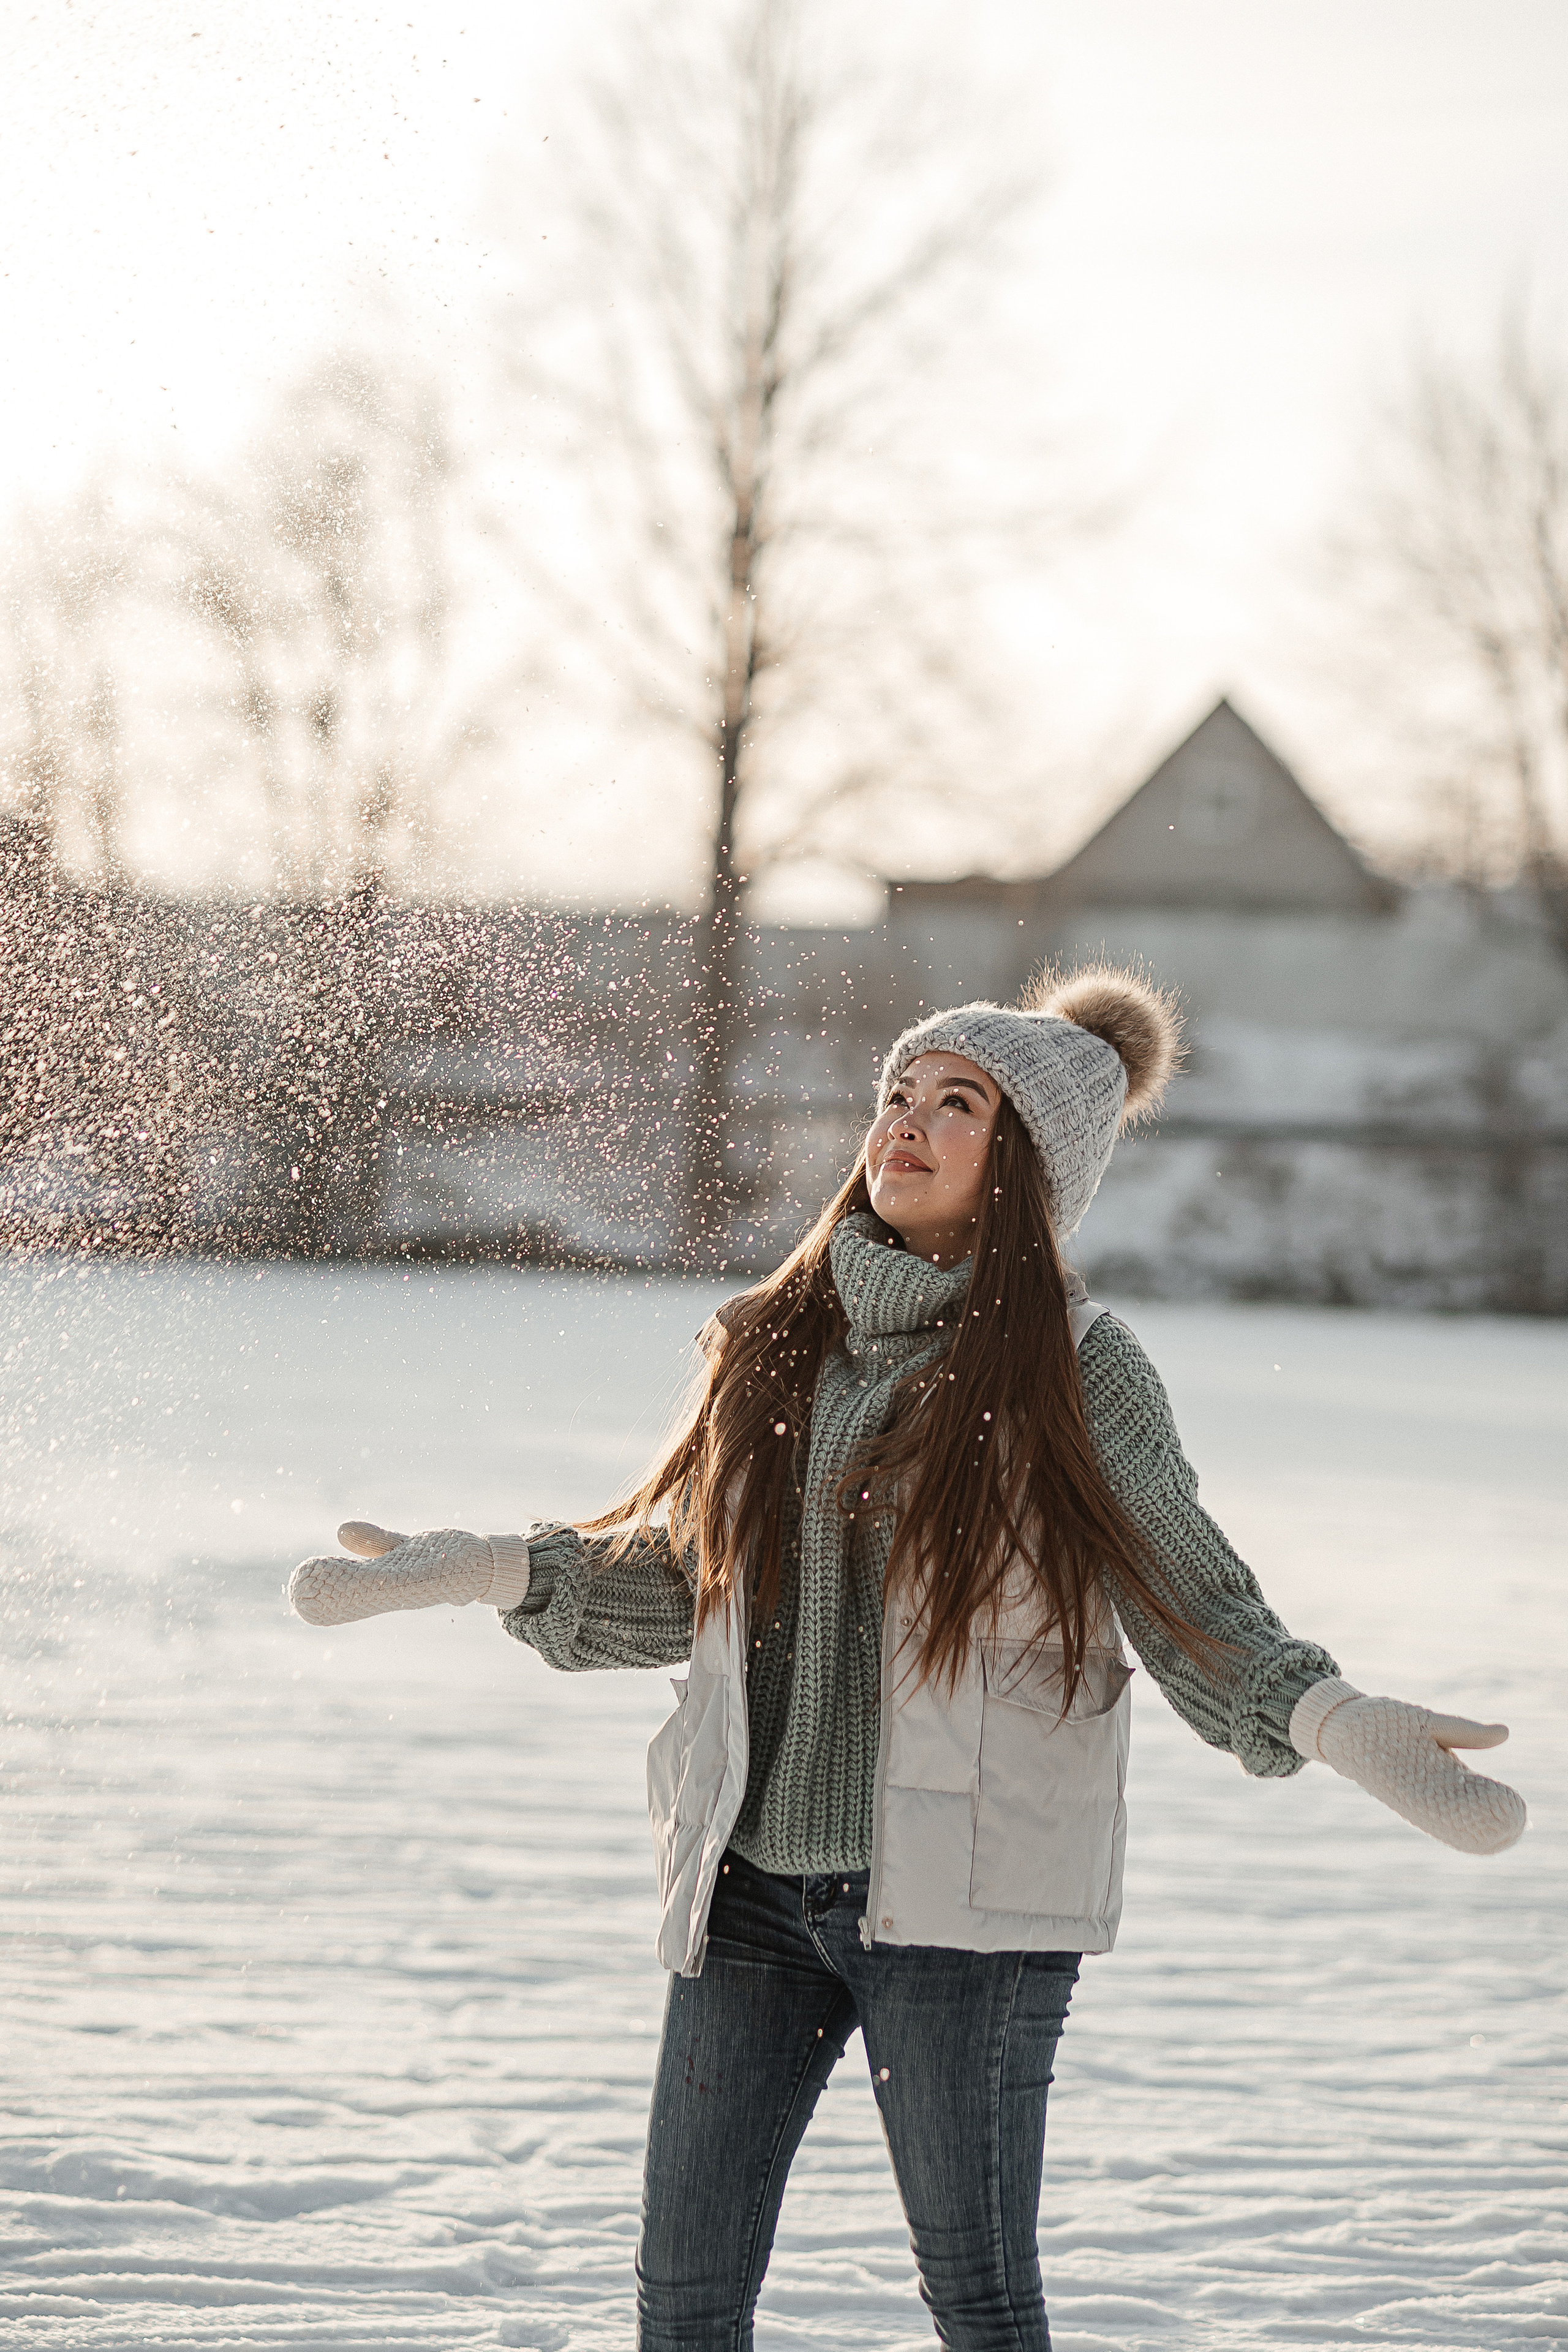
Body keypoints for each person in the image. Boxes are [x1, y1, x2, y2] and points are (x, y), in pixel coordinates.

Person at [288, 967, 1526, 2352]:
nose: (904, 1122)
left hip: (965, 1906)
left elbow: (1187, 1598)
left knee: (978, 2301)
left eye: (956, 1105)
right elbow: (690, 1590)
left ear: (1024, 1170)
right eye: (896, 1093)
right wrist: (496, 1568)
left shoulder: (1073, 1368)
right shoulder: (770, 1346)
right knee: (682, 2299)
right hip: (748, 1885)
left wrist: (1334, 1720)